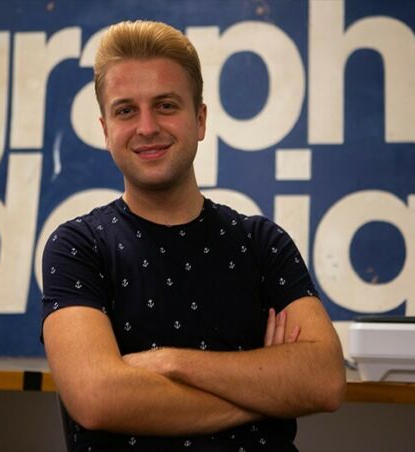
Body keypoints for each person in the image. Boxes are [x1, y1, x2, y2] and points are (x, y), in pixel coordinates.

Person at [41, 19, 346, 452]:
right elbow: (97, 398)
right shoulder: (78, 247)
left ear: (200, 119)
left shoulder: (261, 243)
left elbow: (325, 380)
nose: (147, 127)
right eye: (126, 110)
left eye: (166, 105)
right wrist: (267, 390)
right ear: (106, 129)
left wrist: (169, 362)